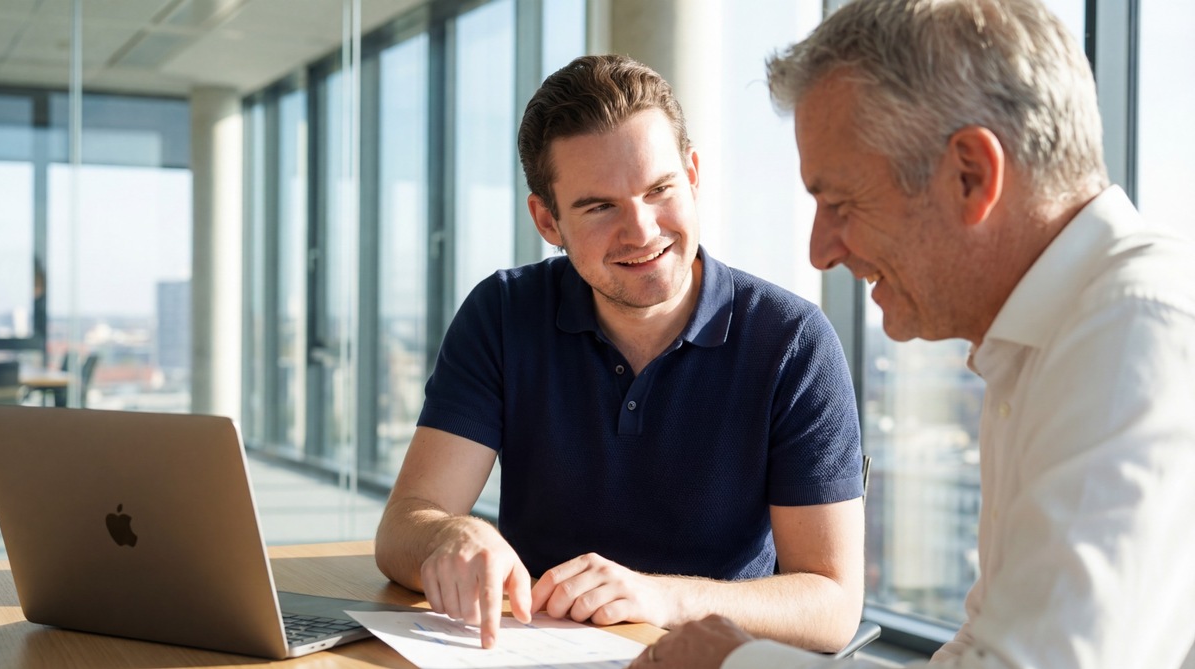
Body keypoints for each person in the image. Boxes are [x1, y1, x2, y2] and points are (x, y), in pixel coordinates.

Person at [629, 0, 1195, 667]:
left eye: (838, 204)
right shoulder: (1044, 343)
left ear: (971, 176)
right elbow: (986, 648)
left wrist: (735, 660)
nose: (819, 251)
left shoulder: (1135, 332)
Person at [374, 54, 866, 653]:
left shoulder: (793, 342)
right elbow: (404, 527)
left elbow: (832, 603)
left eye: (659, 189)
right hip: (529, 655)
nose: (641, 231)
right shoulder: (503, 313)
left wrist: (659, 596)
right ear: (546, 220)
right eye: (599, 206)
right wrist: (449, 535)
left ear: (693, 174)